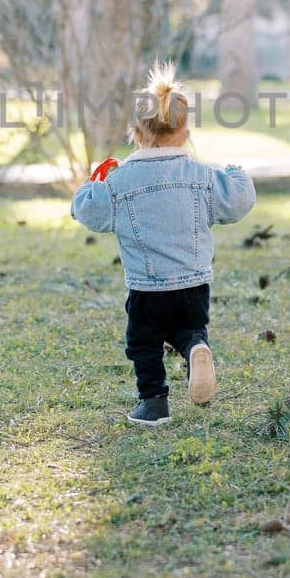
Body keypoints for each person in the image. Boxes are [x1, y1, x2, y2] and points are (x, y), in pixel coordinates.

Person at [71, 61, 256, 426]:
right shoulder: (202, 177)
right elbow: (238, 200)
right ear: (186, 133)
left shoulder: (121, 182)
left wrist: (93, 184)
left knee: (144, 344)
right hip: (195, 284)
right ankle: (195, 347)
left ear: (135, 133)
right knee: (189, 328)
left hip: (147, 288)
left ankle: (154, 404)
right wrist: (234, 170)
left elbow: (86, 212)